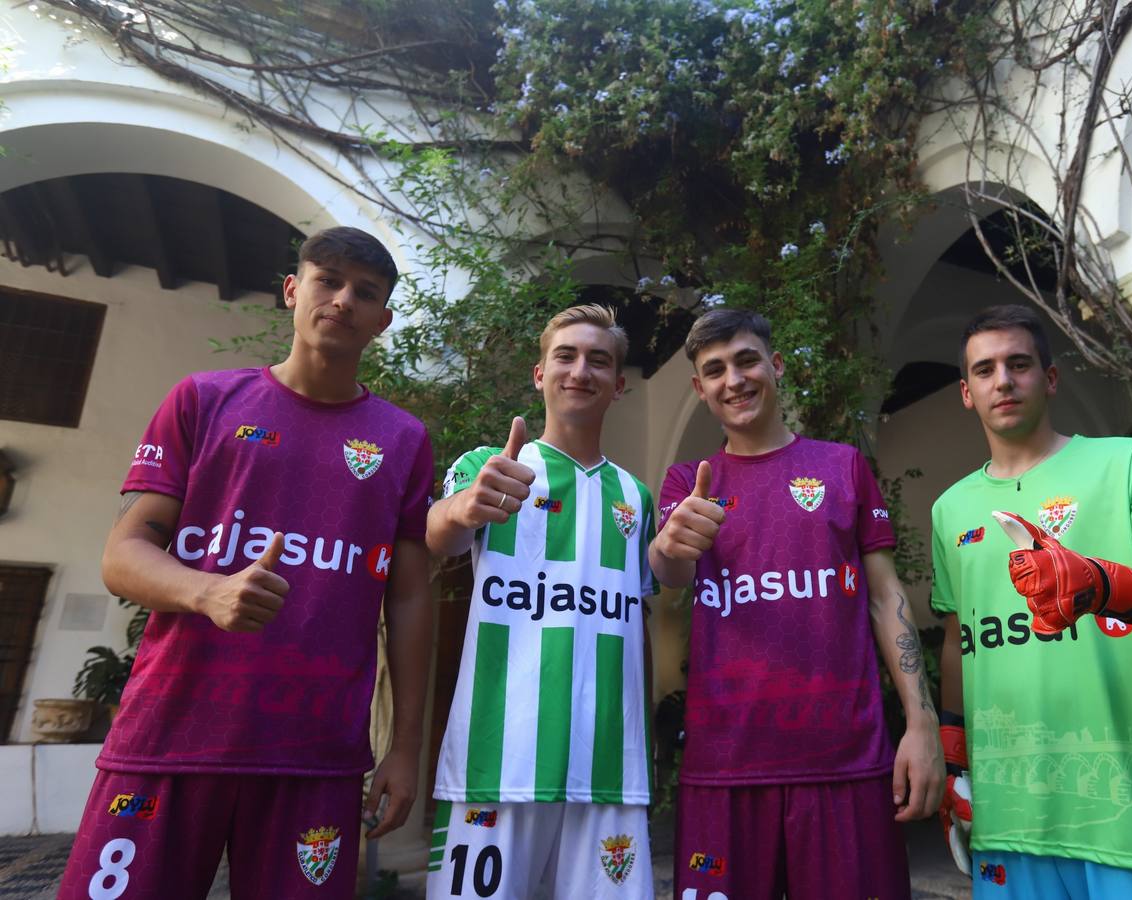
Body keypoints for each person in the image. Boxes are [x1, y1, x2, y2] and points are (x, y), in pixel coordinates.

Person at [58, 227, 435, 899]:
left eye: (365, 292)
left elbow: (407, 599)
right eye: (329, 280)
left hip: (315, 756)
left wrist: (405, 749)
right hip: (170, 736)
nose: (344, 300)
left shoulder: (404, 441)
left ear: (383, 320)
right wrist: (208, 592)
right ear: (293, 291)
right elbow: (123, 555)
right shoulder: (203, 401)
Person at [931, 304, 1132, 898]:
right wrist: (953, 755)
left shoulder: (1126, 462)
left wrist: (1099, 582)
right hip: (1009, 822)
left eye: (1019, 363)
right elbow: (957, 638)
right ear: (967, 393)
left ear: (1050, 377)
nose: (1004, 380)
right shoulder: (949, 509)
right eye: (985, 370)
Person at [650, 308, 942, 900]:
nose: (734, 379)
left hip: (847, 764)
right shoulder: (689, 481)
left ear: (776, 365)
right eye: (715, 370)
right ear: (700, 389)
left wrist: (922, 722)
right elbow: (671, 570)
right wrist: (670, 545)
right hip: (722, 769)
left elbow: (887, 598)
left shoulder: (843, 466)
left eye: (747, 360)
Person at [426, 304, 657, 898]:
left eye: (598, 360)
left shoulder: (637, 496)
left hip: (609, 765)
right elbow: (440, 535)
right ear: (539, 373)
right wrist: (462, 508)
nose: (581, 370)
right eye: (566, 355)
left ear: (619, 384)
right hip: (495, 762)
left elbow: (639, 623)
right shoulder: (492, 467)